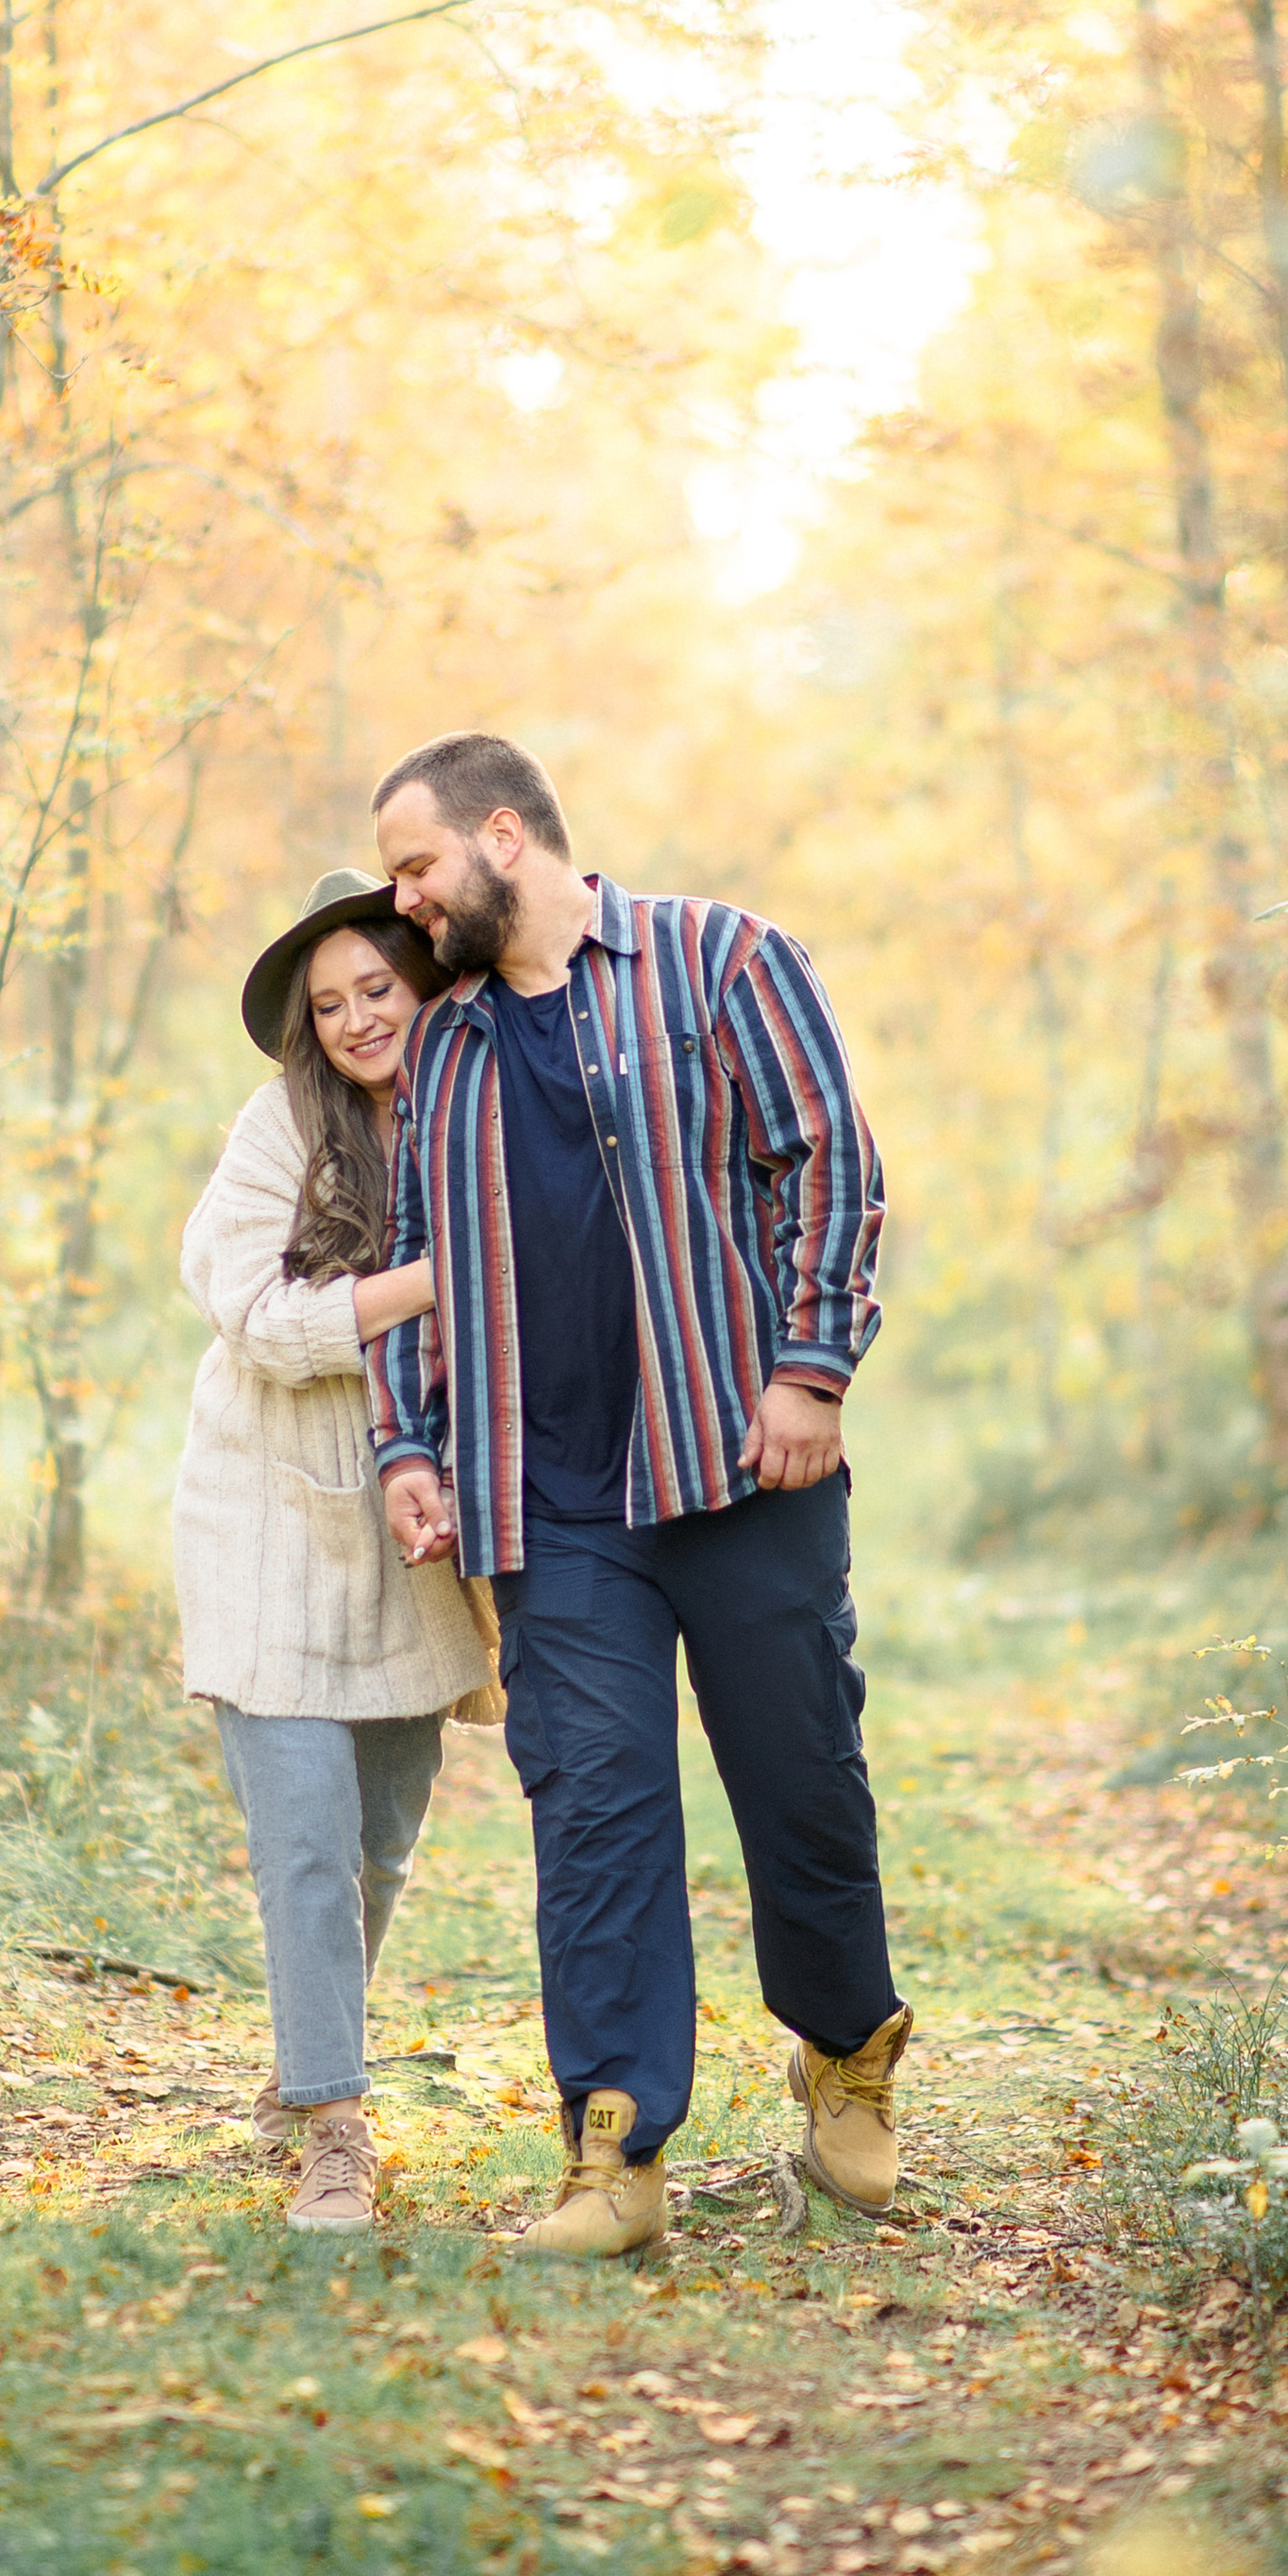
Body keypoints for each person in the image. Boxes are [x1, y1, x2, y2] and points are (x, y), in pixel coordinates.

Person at [366, 735, 911, 2260]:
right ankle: (615, 2160)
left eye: (415, 867)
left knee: (802, 1782)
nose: (402, 902)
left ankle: (849, 2048)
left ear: (501, 836)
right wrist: (411, 1449)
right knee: (594, 1816)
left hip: (742, 1467)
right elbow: (414, 1261)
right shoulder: (446, 1046)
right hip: (551, 1507)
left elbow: (832, 1171)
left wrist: (810, 1367)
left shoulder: (721, 957)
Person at [173, 866, 498, 2236]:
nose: (362, 1016)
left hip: (415, 1542)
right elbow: (263, 1318)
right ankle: (334, 2126)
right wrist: (450, 1276)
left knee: (375, 1845)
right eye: (332, 1002)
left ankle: (310, 2064)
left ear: (421, 986)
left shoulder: (474, 1113)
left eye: (380, 986)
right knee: (302, 1840)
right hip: (265, 1524)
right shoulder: (277, 1130)